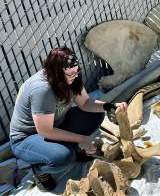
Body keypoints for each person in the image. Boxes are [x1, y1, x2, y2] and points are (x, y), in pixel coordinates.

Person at [9, 46, 127, 191]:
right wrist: (81, 139)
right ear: (56, 73)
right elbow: (46, 131)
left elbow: (85, 103)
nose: (74, 76)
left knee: (96, 114)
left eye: (76, 72)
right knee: (64, 158)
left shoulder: (72, 75)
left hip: (55, 124)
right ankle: (40, 171)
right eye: (69, 74)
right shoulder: (42, 89)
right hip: (27, 137)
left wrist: (109, 106)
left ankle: (72, 149)